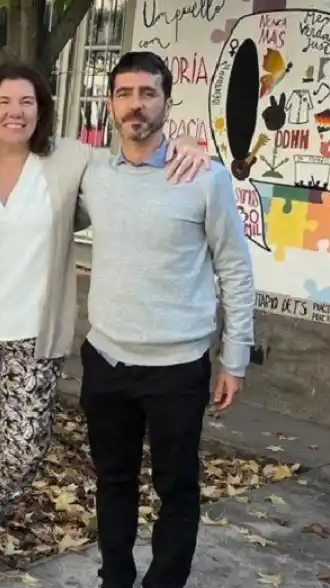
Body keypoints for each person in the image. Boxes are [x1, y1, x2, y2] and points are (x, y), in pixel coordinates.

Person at [0, 61, 212, 588]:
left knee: (23, 448)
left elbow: (135, 154)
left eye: (27, 102)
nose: (15, 112)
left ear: (42, 110)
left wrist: (186, 146)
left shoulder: (71, 160)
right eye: (4, 102)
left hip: (34, 334)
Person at [77, 51, 254, 588]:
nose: (136, 105)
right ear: (110, 104)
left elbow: (235, 271)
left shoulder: (204, 177)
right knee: (113, 482)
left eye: (148, 93)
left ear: (167, 103)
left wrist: (235, 358)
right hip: (106, 359)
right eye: (125, 94)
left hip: (178, 367)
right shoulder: (93, 175)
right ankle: (116, 578)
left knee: (176, 487)